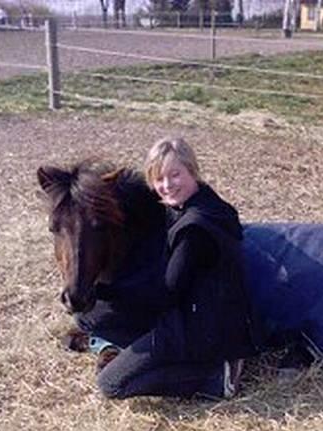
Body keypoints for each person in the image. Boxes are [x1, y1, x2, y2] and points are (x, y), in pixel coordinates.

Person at [96, 137, 257, 399]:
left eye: (175, 174)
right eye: (159, 179)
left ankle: (214, 379)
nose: (167, 185)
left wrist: (109, 292)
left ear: (192, 170)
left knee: (110, 384)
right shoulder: (209, 204)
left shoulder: (193, 228)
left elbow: (165, 293)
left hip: (198, 328)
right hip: (220, 318)